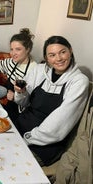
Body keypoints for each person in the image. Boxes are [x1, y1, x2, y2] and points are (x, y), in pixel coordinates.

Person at [13, 36, 89, 166]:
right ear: (47, 58)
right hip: (20, 126)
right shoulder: (39, 70)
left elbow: (58, 124)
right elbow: (23, 103)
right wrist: (20, 92)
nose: (58, 58)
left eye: (63, 52)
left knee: (10, 165)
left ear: (70, 51)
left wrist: (27, 138)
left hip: (44, 144)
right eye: (52, 55)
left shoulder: (79, 81)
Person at [0, 28, 37, 121]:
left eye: (18, 49)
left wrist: (15, 97)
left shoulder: (34, 70)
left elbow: (32, 103)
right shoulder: (12, 62)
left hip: (22, 114)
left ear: (28, 49)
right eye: (11, 49)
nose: (13, 53)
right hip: (9, 106)